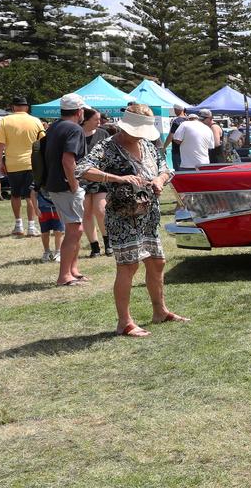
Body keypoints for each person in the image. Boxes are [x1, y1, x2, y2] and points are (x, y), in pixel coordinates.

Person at [77, 104, 186, 337]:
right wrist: (117, 178)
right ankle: (124, 322)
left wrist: (159, 179)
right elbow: (83, 169)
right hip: (123, 217)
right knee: (128, 266)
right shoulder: (107, 146)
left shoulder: (147, 144)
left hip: (148, 215)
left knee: (157, 262)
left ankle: (160, 311)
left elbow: (167, 169)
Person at [43, 93, 91, 287]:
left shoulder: (54, 126)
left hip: (54, 183)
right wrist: (74, 184)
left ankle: (73, 270)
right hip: (66, 185)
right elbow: (68, 160)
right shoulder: (74, 129)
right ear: (79, 111)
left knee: (75, 228)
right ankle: (64, 276)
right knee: (74, 229)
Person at [0, 97, 44, 237]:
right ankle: (32, 226)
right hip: (32, 163)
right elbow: (43, 141)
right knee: (31, 195)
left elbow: (0, 144)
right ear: (26, 107)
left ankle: (18, 225)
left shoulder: (5, 121)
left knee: (15, 195)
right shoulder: (35, 121)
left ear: (13, 107)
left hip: (13, 163)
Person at [81, 108, 112, 258]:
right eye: (96, 119)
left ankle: (108, 243)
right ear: (85, 120)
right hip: (82, 178)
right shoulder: (76, 133)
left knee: (101, 210)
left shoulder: (103, 134)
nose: (99, 122)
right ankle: (94, 247)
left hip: (100, 177)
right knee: (86, 213)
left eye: (99, 119)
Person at [36, 191, 63, 261]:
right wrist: (36, 208)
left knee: (58, 231)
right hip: (43, 209)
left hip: (57, 208)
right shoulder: (38, 180)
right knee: (44, 232)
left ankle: (58, 252)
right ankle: (47, 252)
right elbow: (33, 193)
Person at [168, 105, 187, 171]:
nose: (174, 111)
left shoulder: (176, 121)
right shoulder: (188, 120)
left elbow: (171, 136)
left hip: (177, 150)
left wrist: (164, 147)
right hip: (187, 150)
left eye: (175, 109)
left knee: (179, 171)